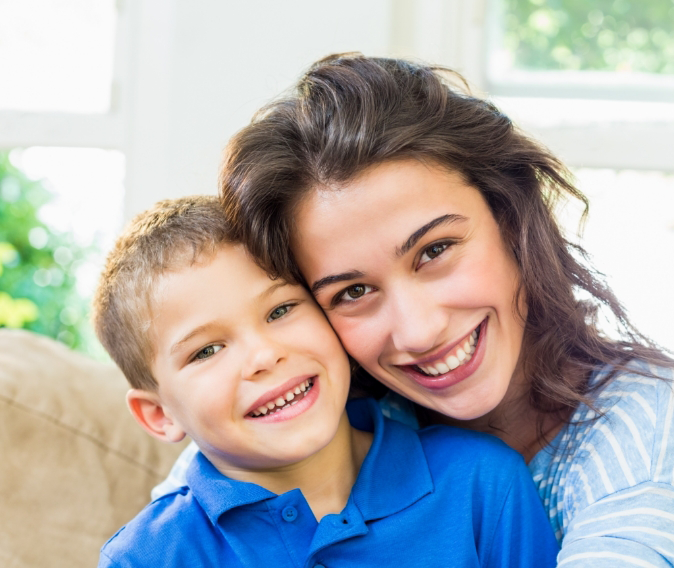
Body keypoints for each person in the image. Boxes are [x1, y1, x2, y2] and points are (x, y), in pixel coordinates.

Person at [155, 53, 674, 567]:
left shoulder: (652, 412)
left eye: (436, 251)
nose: (420, 329)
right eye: (351, 292)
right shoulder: (304, 414)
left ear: (512, 219)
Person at [94, 195, 560, 567]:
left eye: (280, 310)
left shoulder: (481, 483)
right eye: (207, 350)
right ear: (159, 415)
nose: (264, 355)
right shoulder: (145, 557)